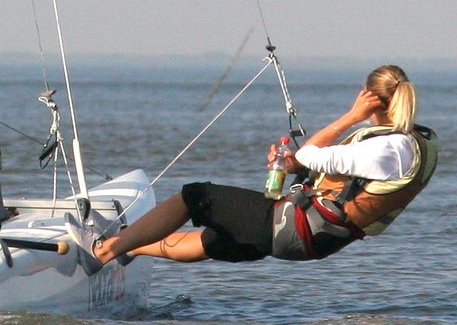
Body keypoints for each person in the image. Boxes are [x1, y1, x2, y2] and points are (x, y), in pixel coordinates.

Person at [67, 64, 438, 275]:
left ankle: (103, 252)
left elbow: (313, 154)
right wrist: (293, 166)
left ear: (369, 97)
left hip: (295, 228)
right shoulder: (411, 145)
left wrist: (350, 117)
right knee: (214, 241)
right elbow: (334, 177)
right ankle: (134, 246)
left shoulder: (391, 148)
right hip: (314, 240)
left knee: (194, 196)